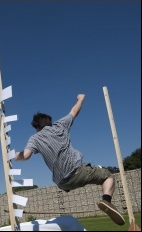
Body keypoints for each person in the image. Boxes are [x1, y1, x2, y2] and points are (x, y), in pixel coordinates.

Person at [15, 94, 125, 226]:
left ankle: (104, 200)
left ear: (37, 127)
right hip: (77, 172)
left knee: (78, 177)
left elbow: (25, 156)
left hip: (62, 183)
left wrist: (12, 155)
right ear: (49, 122)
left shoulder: (34, 138)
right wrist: (81, 99)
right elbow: (74, 111)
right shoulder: (60, 125)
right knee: (108, 176)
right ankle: (106, 200)